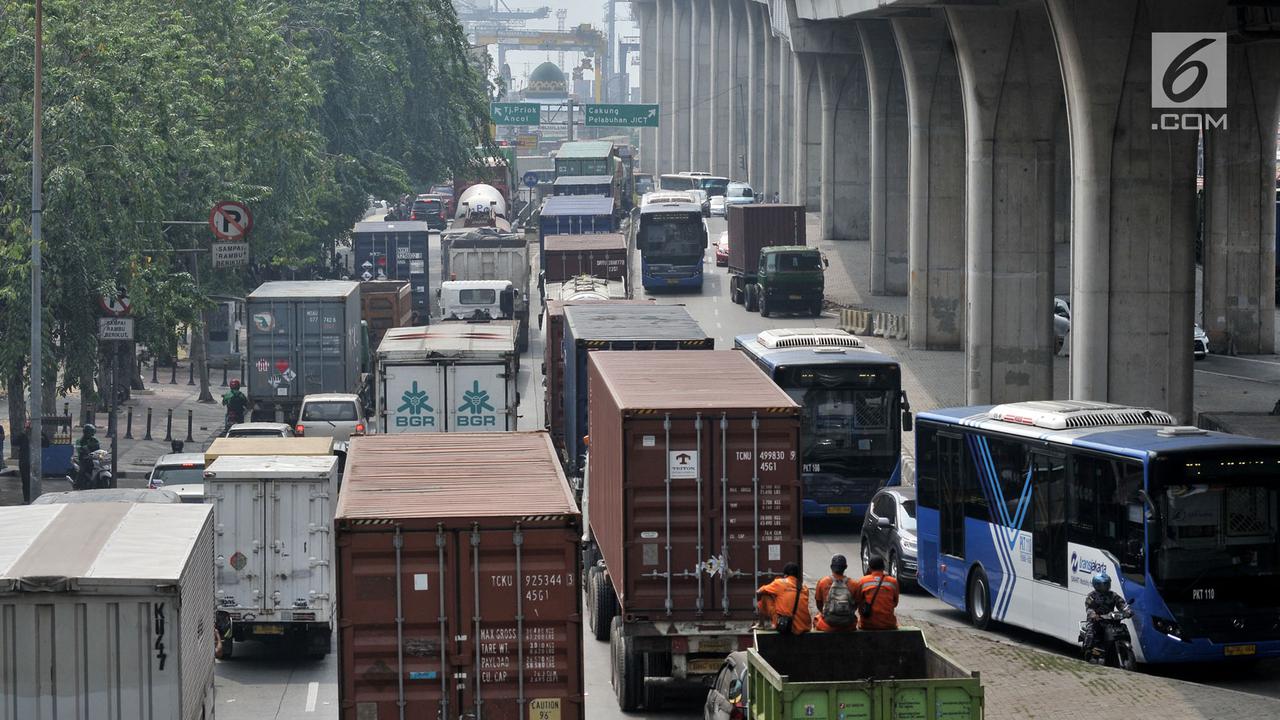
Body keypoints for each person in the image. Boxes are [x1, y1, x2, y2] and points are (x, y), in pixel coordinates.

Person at [1082, 571, 1131, 659]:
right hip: (1096, 620)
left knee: (1122, 628)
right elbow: (1089, 608)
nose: (1106, 586)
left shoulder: (1113, 595)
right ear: (1096, 585)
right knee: (1091, 631)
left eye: (1107, 584)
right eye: (1103, 584)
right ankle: (1088, 649)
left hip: (1110, 620)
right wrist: (1093, 615)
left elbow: (1121, 603)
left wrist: (1127, 611)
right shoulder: (1092, 596)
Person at [755, 562, 811, 635]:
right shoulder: (804, 588)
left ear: (785, 574)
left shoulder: (780, 582)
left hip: (787, 626)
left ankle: (761, 624)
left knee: (765, 596)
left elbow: (759, 591)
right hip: (804, 626)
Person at [855, 554, 900, 630]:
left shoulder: (863, 581)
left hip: (867, 624)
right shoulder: (893, 582)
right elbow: (895, 603)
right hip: (889, 624)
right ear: (883, 567)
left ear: (870, 568)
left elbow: (858, 601)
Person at [815, 554, 858, 632]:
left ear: (831, 567)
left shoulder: (822, 582)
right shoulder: (854, 584)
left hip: (828, 624)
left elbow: (819, 604)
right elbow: (856, 605)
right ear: (846, 567)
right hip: (848, 624)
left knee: (817, 618)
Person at [75, 423, 101, 489]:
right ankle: (77, 484)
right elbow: (79, 449)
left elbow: (99, 448)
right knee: (82, 469)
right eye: (90, 432)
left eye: (93, 432)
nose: (92, 434)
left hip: (94, 458)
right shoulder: (80, 441)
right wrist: (83, 451)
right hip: (84, 458)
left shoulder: (95, 440)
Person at [13, 424, 30, 504]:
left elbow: (46, 443)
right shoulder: (22, 436)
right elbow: (14, 442)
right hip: (24, 462)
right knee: (25, 481)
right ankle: (26, 499)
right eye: (26, 428)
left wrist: (40, 433)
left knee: (33, 480)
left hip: (33, 462)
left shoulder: (36, 436)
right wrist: (22, 433)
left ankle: (34, 497)